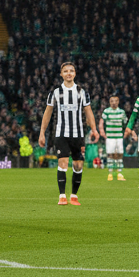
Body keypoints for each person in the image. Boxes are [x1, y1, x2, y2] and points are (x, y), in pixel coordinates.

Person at [38, 61, 99, 206]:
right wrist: (42, 132)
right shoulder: (55, 93)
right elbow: (48, 113)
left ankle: (74, 196)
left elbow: (88, 112)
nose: (69, 73)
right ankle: (62, 196)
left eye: (71, 70)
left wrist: (94, 129)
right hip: (61, 133)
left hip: (78, 134)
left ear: (75, 73)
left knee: (78, 166)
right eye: (66, 71)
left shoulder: (82, 92)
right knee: (63, 162)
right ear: (61, 74)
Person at [100, 94, 127, 181]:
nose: (114, 103)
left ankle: (119, 173)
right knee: (110, 154)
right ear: (109, 102)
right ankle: (110, 173)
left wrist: (126, 132)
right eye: (112, 101)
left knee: (119, 154)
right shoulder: (106, 111)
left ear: (118, 102)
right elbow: (101, 122)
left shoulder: (122, 112)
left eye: (115, 101)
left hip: (119, 137)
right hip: (110, 137)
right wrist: (102, 131)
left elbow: (125, 123)